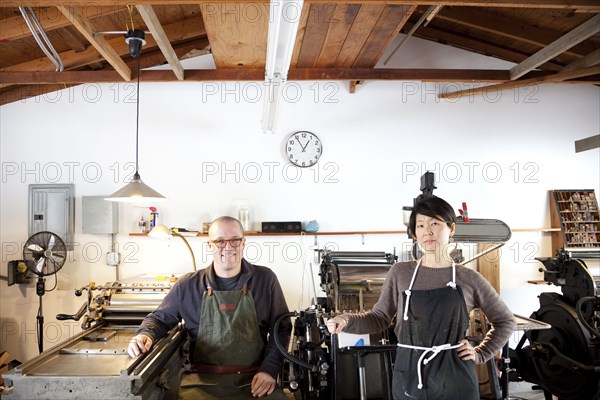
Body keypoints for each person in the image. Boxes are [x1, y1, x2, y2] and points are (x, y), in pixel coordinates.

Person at [326, 196, 515, 400]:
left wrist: (481, 353)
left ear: (451, 229)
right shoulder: (401, 273)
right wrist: (346, 320)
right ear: (415, 233)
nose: (428, 231)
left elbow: (505, 321)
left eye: (435, 223)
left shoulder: (469, 278)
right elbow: (379, 317)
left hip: (455, 378)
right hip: (410, 376)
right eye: (421, 225)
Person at [128, 216, 292, 399]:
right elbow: (158, 318)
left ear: (243, 243)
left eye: (235, 240)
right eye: (220, 241)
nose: (228, 247)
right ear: (210, 245)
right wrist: (145, 334)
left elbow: (283, 328)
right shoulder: (187, 285)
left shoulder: (265, 279)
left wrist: (269, 370)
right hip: (201, 382)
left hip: (254, 380)